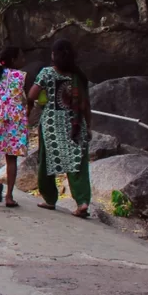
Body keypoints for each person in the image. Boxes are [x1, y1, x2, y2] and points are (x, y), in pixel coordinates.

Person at [26, 38, 94, 218]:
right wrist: (89, 127)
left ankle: (49, 199)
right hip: (76, 123)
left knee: (46, 162)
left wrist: (42, 92)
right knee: (78, 163)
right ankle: (82, 201)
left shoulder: (47, 73)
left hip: (51, 125)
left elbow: (32, 94)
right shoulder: (78, 76)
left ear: (54, 55)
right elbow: (85, 104)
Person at [0, 46, 30, 208]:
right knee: (11, 157)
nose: (24, 60)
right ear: (13, 60)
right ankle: (9, 196)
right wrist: (26, 111)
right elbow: (28, 99)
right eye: (21, 57)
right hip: (15, 116)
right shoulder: (21, 76)